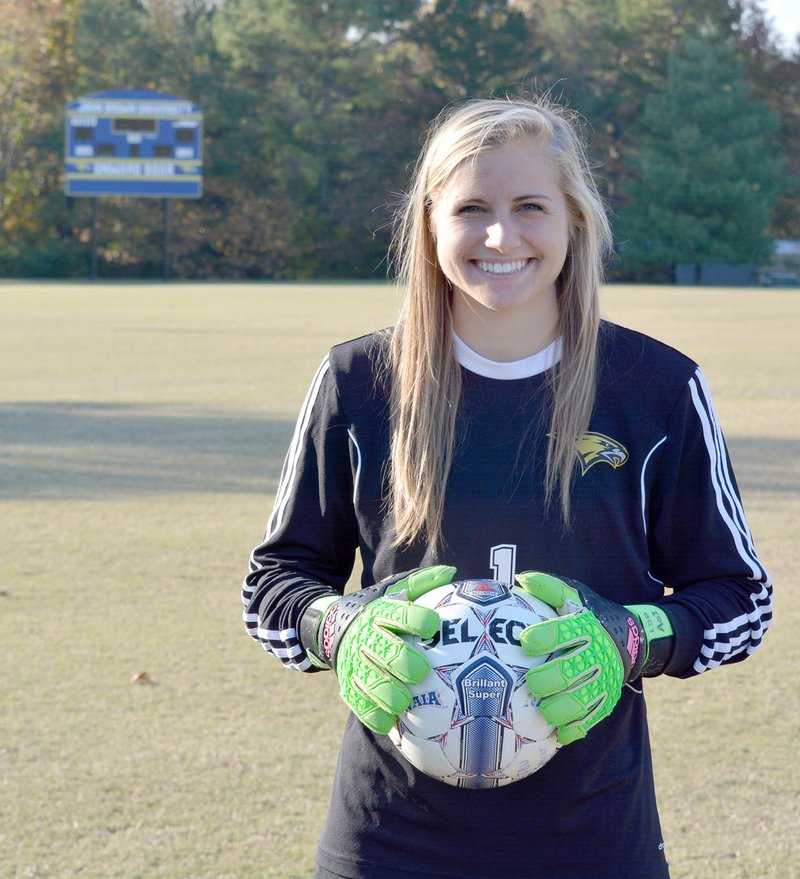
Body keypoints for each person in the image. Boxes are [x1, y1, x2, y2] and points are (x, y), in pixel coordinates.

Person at [242, 96, 772, 879]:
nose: (501, 236)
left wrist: (632, 636)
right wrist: (338, 628)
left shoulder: (657, 387)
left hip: (595, 843)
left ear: (575, 221)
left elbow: (739, 598)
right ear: (429, 223)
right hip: (387, 843)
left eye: (530, 206)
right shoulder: (359, 382)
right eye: (472, 209)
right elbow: (274, 585)